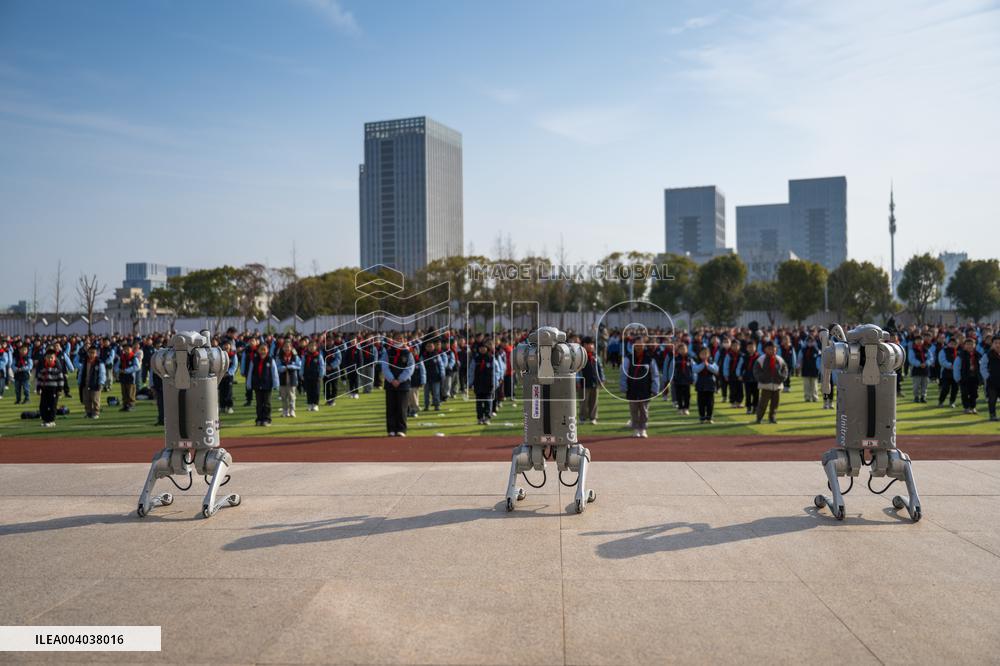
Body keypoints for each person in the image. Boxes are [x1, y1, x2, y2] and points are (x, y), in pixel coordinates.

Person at [620, 337, 660, 438]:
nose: (639, 346)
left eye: (641, 344)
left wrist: (655, 388)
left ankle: (643, 429)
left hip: (645, 388)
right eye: (637, 344)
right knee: (634, 410)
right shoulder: (629, 358)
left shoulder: (649, 358)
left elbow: (655, 374)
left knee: (644, 410)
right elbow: (624, 372)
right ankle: (636, 429)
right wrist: (623, 386)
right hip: (632, 388)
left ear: (644, 345)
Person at [381, 334, 415, 436]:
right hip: (390, 384)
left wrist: (400, 380)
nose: (398, 340)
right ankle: (391, 429)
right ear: (393, 340)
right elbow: (384, 367)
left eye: (400, 339)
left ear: (404, 340)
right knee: (391, 408)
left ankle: (401, 429)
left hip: (403, 384)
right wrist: (392, 379)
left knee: (402, 408)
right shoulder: (387, 352)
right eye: (396, 338)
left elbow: (410, 368)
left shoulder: (408, 353)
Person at [753, 340, 789, 424]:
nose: (771, 350)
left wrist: (781, 378)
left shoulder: (779, 359)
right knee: (763, 403)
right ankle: (759, 418)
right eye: (769, 349)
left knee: (775, 404)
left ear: (776, 349)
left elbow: (785, 370)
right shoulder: (761, 360)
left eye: (773, 348)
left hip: (777, 386)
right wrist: (762, 378)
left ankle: (772, 418)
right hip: (766, 386)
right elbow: (756, 371)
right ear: (765, 349)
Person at [247, 343, 279, 426]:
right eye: (261, 349)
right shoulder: (254, 360)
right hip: (257, 385)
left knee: (267, 403)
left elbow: (274, 373)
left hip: (267, 385)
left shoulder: (270, 360)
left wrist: (276, 384)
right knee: (259, 403)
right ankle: (259, 419)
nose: (262, 351)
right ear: (258, 350)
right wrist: (249, 384)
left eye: (264, 349)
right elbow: (250, 372)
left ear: (267, 350)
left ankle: (267, 419)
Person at [35, 348, 65, 428]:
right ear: (45, 358)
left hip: (53, 390)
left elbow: (61, 380)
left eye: (52, 357)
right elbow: (39, 379)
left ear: (55, 358)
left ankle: (51, 421)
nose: (50, 359)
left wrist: (60, 389)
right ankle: (45, 420)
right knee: (43, 405)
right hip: (45, 389)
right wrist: (38, 388)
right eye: (48, 357)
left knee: (52, 406)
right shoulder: (43, 369)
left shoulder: (57, 369)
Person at [469, 341, 495, 425]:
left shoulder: (491, 358)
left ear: (487, 348)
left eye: (484, 348)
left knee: (488, 401)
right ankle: (480, 418)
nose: (482, 349)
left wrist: (495, 382)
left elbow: (496, 371)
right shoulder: (475, 359)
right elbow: (471, 371)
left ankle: (487, 418)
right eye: (480, 348)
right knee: (479, 402)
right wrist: (470, 383)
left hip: (489, 384)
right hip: (478, 384)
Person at [579, 338, 604, 424]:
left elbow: (600, 368)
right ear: (584, 345)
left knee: (594, 401)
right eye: (589, 344)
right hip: (583, 382)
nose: (591, 346)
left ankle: (593, 418)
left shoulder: (595, 356)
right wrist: (577, 381)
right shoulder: (580, 355)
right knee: (583, 401)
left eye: (592, 344)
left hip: (594, 381)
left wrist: (601, 379)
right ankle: (582, 418)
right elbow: (577, 371)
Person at [954, 337, 981, 414]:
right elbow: (956, 367)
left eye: (972, 344)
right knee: (965, 393)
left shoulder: (978, 355)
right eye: (968, 344)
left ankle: (973, 407)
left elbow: (981, 366)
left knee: (974, 394)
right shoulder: (961, 355)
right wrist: (957, 378)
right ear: (964, 345)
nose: (970, 346)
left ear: (975, 345)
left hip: (974, 378)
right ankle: (966, 408)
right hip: (964, 378)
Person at [78, 346, 106, 419]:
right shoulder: (85, 361)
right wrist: (79, 381)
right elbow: (81, 372)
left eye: (93, 353)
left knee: (95, 399)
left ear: (96, 353)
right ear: (87, 353)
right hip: (85, 383)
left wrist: (101, 383)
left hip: (95, 383)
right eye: (90, 352)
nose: (91, 354)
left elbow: (102, 373)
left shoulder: (99, 362)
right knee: (86, 399)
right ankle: (88, 412)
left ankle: (96, 413)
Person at [693, 345, 720, 424]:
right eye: (702, 354)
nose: (704, 355)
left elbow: (716, 370)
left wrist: (708, 365)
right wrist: (703, 364)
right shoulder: (696, 362)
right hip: (700, 384)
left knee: (710, 402)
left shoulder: (712, 362)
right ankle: (702, 417)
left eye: (706, 353)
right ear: (699, 354)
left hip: (710, 384)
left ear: (709, 354)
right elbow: (695, 370)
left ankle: (709, 417)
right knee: (701, 402)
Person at [275, 341, 301, 418]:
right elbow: (277, 366)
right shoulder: (279, 357)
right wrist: (282, 368)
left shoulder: (295, 356)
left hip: (292, 378)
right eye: (285, 347)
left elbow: (299, 365)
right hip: (282, 379)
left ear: (291, 348)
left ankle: (292, 410)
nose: (287, 348)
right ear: (282, 348)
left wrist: (291, 366)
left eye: (288, 347)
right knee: (283, 396)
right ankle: (285, 410)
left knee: (292, 396)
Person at [667, 342, 693, 416]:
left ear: (687, 350)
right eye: (681, 349)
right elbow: (672, 369)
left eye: (684, 349)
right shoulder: (675, 359)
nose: (683, 351)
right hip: (678, 380)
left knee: (687, 395)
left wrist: (692, 378)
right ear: (678, 350)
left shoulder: (689, 358)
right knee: (679, 395)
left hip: (687, 380)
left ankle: (686, 408)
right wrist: (671, 378)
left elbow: (692, 369)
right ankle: (680, 408)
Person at [115, 341, 140, 411]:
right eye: (125, 349)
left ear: (131, 349)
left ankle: (131, 405)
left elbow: (137, 367)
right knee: (124, 392)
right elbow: (116, 367)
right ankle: (125, 405)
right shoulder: (121, 358)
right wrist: (119, 370)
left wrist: (126, 370)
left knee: (130, 393)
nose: (126, 350)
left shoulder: (134, 357)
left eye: (128, 349)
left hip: (131, 378)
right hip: (123, 377)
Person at [301, 340, 325, 412]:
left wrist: (321, 375)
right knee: (309, 391)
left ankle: (315, 404)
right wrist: (301, 374)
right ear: (308, 347)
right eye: (310, 346)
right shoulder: (305, 356)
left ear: (316, 347)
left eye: (313, 346)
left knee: (316, 391)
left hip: (316, 376)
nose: (311, 347)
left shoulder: (318, 355)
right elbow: (302, 366)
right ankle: (309, 404)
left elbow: (322, 366)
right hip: (307, 376)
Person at [737, 340, 760, 415]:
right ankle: (748, 407)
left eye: (752, 347)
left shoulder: (759, 357)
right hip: (747, 378)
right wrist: (739, 375)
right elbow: (740, 366)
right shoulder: (744, 357)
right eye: (749, 347)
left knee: (756, 394)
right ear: (746, 348)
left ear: (755, 347)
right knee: (748, 394)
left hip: (756, 379)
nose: (751, 349)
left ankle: (755, 407)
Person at [908, 337, 933, 403]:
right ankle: (916, 397)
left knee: (925, 385)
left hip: (925, 370)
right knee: (916, 385)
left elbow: (931, 358)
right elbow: (911, 359)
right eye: (917, 340)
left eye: (920, 340)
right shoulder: (912, 350)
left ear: (923, 341)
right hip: (916, 370)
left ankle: (923, 397)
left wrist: (926, 363)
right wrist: (919, 364)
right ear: (915, 341)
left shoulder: (926, 349)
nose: (919, 341)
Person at [937, 337, 959, 408]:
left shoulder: (959, 352)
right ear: (948, 343)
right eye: (951, 343)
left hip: (956, 374)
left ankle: (952, 402)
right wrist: (950, 365)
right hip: (946, 373)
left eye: (955, 344)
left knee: (955, 389)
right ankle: (941, 401)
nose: (953, 345)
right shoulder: (943, 351)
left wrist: (957, 367)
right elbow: (942, 361)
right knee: (945, 388)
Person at [982, 336, 1000, 422]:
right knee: (992, 400)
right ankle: (992, 415)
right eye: (995, 343)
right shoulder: (987, 355)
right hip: (992, 382)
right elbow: (983, 367)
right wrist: (987, 377)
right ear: (992, 344)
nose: (998, 345)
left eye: (999, 343)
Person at [798, 336, 821, 403]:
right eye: (808, 341)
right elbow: (800, 359)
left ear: (814, 342)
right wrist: (799, 367)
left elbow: (820, 359)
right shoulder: (803, 350)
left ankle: (815, 397)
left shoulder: (817, 350)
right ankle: (807, 397)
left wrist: (820, 369)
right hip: (805, 369)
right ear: (806, 342)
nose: (810, 343)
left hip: (814, 370)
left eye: (811, 341)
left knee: (814, 385)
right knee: (806, 385)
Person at [422, 340, 444, 412]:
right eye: (428, 346)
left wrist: (442, 374)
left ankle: (437, 405)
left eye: (431, 346)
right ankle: (426, 406)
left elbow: (441, 365)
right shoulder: (423, 356)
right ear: (426, 347)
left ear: (434, 347)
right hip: (426, 377)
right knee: (426, 393)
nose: (430, 348)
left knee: (436, 392)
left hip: (436, 377)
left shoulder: (437, 355)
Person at [218, 340, 238, 414]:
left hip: (229, 376)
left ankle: (229, 407)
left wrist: (228, 373)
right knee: (221, 391)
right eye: (225, 345)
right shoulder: (220, 354)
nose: (226, 346)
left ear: (230, 346)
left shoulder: (233, 355)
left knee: (228, 391)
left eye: (228, 345)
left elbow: (234, 366)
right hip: (221, 376)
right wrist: (221, 373)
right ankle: (222, 406)